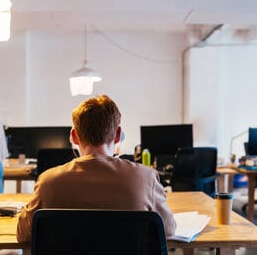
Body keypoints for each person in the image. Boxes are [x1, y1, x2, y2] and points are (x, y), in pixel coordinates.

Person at [17, 95, 176, 243]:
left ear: (73, 136)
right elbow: (169, 230)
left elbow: (23, 234)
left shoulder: (48, 181)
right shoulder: (146, 178)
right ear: (118, 135)